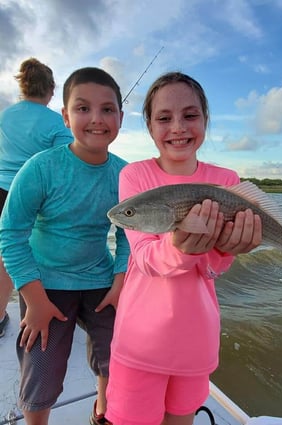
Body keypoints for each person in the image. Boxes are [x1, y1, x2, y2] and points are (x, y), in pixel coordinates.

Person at [105, 72, 263, 425]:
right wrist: (179, 246)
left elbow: (213, 269)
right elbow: (144, 257)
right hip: (139, 341)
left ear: (206, 119)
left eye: (190, 115)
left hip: (197, 341)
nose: (177, 127)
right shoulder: (134, 176)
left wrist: (226, 251)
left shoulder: (226, 181)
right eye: (164, 118)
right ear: (148, 125)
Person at [0, 67, 129, 425]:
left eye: (108, 109)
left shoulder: (126, 175)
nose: (96, 119)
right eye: (83, 108)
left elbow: (128, 235)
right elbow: (11, 232)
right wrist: (34, 299)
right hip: (46, 283)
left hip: (101, 279)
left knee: (117, 349)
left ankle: (102, 408)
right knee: (41, 362)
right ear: (65, 116)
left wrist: (120, 282)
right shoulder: (40, 168)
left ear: (121, 117)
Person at [0, 57, 73, 337]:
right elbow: (66, 163)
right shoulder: (56, 122)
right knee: (40, 254)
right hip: (34, 198)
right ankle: (45, 312)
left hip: (1, 191)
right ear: (51, 89)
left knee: (5, 255)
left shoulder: (4, 116)